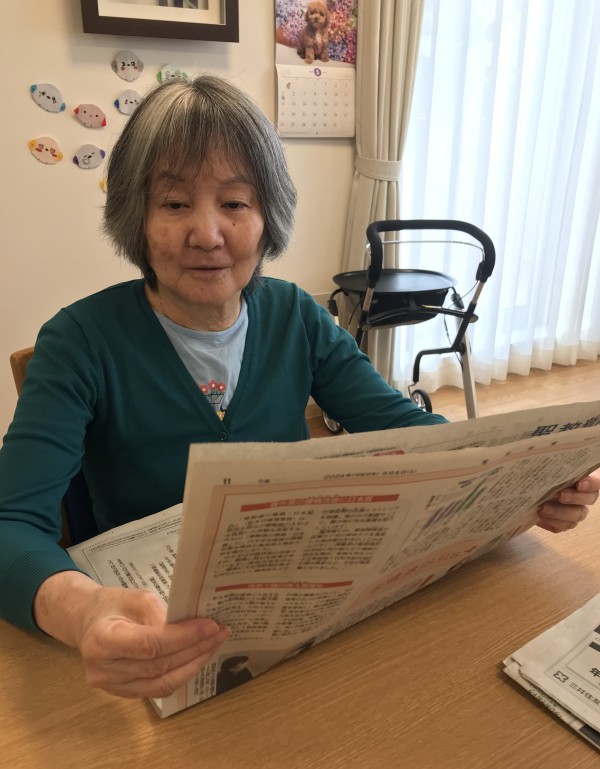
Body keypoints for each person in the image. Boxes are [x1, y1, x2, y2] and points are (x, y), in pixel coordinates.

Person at [0, 74, 597, 702]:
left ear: (268, 217)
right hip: (159, 643)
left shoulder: (296, 316)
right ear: (137, 218)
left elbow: (403, 427)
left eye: (235, 203)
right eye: (174, 204)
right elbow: (10, 524)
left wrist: (519, 479)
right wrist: (84, 611)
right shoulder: (79, 342)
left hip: (295, 617)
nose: (208, 234)